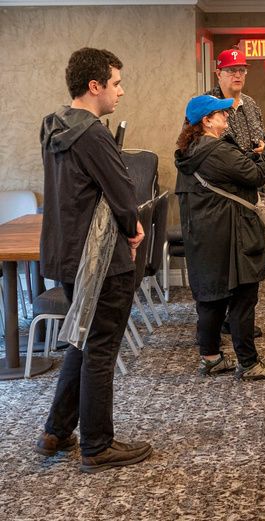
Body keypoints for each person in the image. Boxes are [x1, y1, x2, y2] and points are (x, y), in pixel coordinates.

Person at [36, 47, 151, 473]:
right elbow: (124, 193)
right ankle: (98, 445)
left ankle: (56, 431)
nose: (121, 91)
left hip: (66, 254)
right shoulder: (92, 133)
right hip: (101, 257)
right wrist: (134, 227)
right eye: (116, 83)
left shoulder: (53, 127)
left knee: (81, 340)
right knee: (101, 347)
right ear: (95, 86)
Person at [174, 95, 265, 381]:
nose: (227, 117)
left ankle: (211, 357)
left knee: (212, 298)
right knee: (243, 297)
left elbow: (229, 173)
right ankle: (249, 363)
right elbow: (255, 176)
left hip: (205, 236)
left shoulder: (192, 149)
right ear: (206, 120)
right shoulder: (214, 149)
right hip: (231, 235)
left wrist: (251, 156)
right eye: (221, 114)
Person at [207, 47, 265, 338]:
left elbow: (260, 138)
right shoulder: (207, 106)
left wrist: (262, 149)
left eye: (242, 70)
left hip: (252, 191)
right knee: (226, 268)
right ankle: (220, 324)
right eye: (232, 70)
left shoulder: (252, 104)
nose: (238, 75)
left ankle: (239, 321)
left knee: (249, 266)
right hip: (224, 200)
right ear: (218, 73)